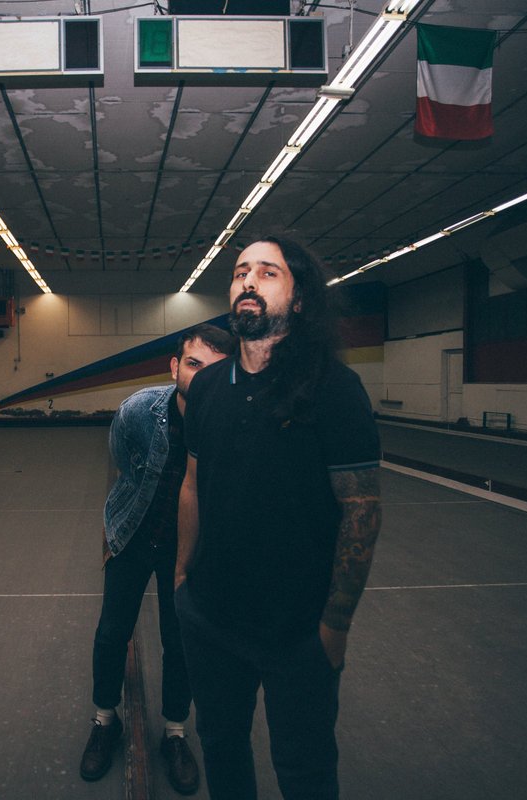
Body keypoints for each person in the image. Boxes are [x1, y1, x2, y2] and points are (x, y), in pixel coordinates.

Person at [174, 237, 382, 800]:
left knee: (304, 770)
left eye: (268, 272)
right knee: (222, 747)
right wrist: (181, 579)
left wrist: (334, 625)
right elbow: (191, 484)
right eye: (241, 271)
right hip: (211, 618)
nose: (248, 281)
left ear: (301, 299)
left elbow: (361, 509)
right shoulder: (207, 387)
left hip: (298, 631)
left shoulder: (333, 388)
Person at [81, 323, 236, 794]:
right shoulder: (138, 411)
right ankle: (104, 721)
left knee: (180, 640)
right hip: (132, 535)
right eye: (193, 364)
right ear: (174, 367)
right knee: (111, 633)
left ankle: (174, 733)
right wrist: (114, 532)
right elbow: (121, 465)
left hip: (187, 547)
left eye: (214, 370)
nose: (201, 377)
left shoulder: (232, 422)